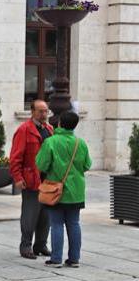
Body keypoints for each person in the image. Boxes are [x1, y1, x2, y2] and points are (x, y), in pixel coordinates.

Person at [36, 111, 91, 268]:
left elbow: (41, 164)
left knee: (57, 224)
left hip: (55, 190)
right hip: (76, 191)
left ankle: (56, 259)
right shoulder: (80, 143)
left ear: (59, 123)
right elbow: (87, 165)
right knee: (74, 223)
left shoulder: (51, 142)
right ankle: (74, 259)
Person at [9, 99, 54, 259]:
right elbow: (15, 157)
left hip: (48, 181)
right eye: (41, 111)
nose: (44, 114)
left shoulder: (49, 129)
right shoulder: (24, 130)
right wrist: (18, 177)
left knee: (45, 215)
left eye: (46, 111)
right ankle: (25, 245)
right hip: (31, 180)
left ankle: (41, 244)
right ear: (32, 112)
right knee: (30, 215)